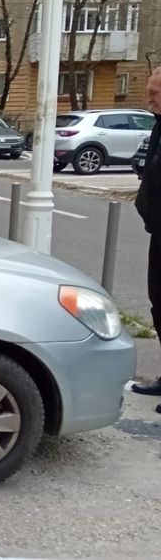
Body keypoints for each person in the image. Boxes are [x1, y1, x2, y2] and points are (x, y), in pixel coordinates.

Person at [132, 67, 161, 408]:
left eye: (155, 93)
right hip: (158, 230)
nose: (148, 98)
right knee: (159, 304)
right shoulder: (158, 125)